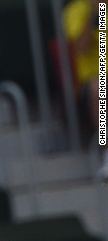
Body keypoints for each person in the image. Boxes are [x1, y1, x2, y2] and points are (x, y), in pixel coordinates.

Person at [62, 0, 104, 177]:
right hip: (95, 77)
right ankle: (107, 150)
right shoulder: (76, 10)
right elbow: (80, 48)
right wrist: (94, 15)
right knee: (99, 88)